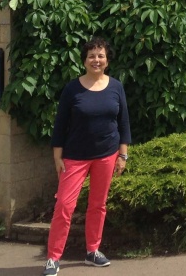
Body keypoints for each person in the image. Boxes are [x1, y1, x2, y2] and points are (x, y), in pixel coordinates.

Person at [42, 37, 131, 275]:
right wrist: (57, 158)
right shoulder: (72, 89)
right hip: (75, 157)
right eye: (91, 56)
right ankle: (53, 258)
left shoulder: (116, 87)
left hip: (107, 154)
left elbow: (123, 123)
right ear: (84, 60)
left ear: (107, 60)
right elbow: (60, 126)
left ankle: (93, 251)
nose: (96, 60)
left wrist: (123, 155)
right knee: (64, 205)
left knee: (98, 205)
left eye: (101, 56)